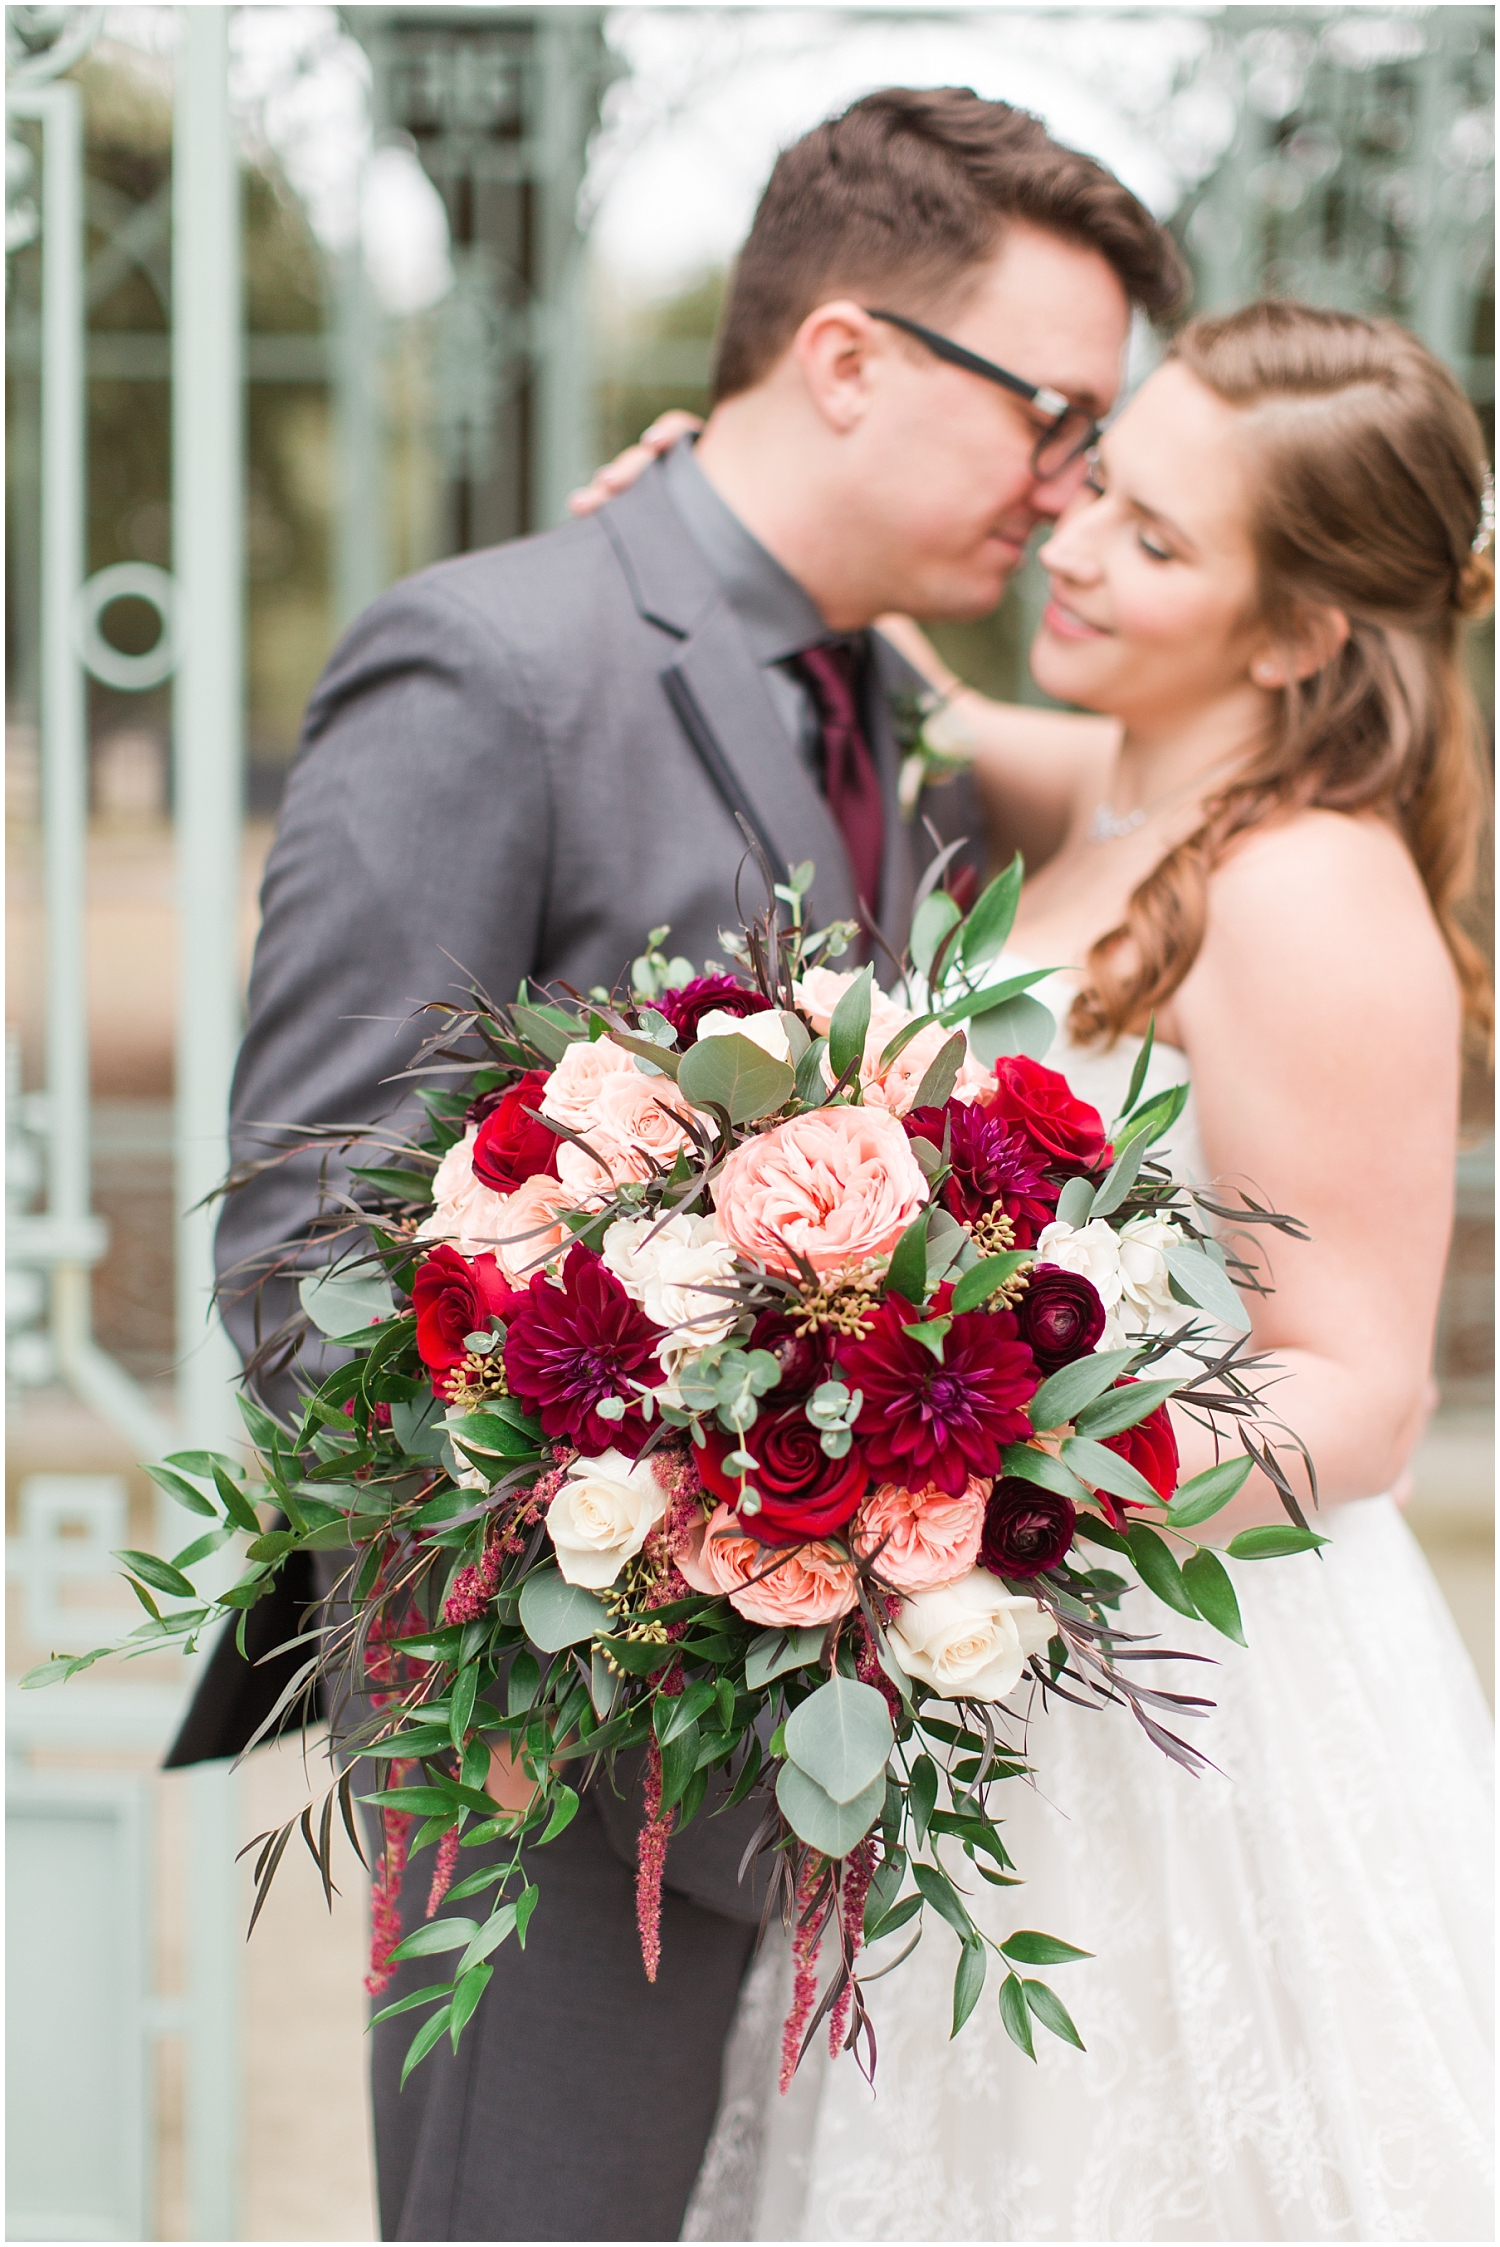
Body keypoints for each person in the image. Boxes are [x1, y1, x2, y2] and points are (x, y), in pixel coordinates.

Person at [164, 88, 1187, 2243]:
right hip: (558, 1770)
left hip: (829, 1757)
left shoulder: (884, 705)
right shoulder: (498, 661)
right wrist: (567, 1657)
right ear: (844, 357)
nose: (1072, 488)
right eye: (1054, 416)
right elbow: (301, 1252)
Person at [602, 301, 1492, 2240]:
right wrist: (687, 519)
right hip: (985, 1642)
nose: (1076, 545)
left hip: (1178, 1684)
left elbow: (1363, 1387)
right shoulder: (1122, 774)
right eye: (1103, 483)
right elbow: (906, 683)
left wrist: (986, 1479)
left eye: (1159, 542)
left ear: (1299, 635)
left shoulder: (1312, 888)